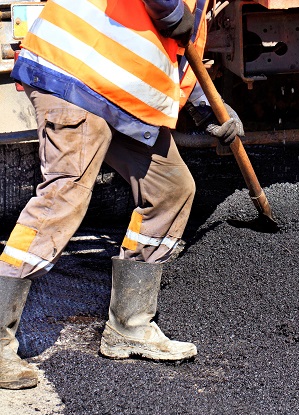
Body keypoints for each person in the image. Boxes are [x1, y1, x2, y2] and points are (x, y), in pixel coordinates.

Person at [0, 0, 243, 389]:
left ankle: (129, 326)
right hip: (75, 73)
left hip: (119, 96)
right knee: (64, 196)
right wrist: (171, 11)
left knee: (171, 189)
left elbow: (171, 56)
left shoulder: (204, 5)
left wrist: (205, 107)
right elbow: (165, 17)